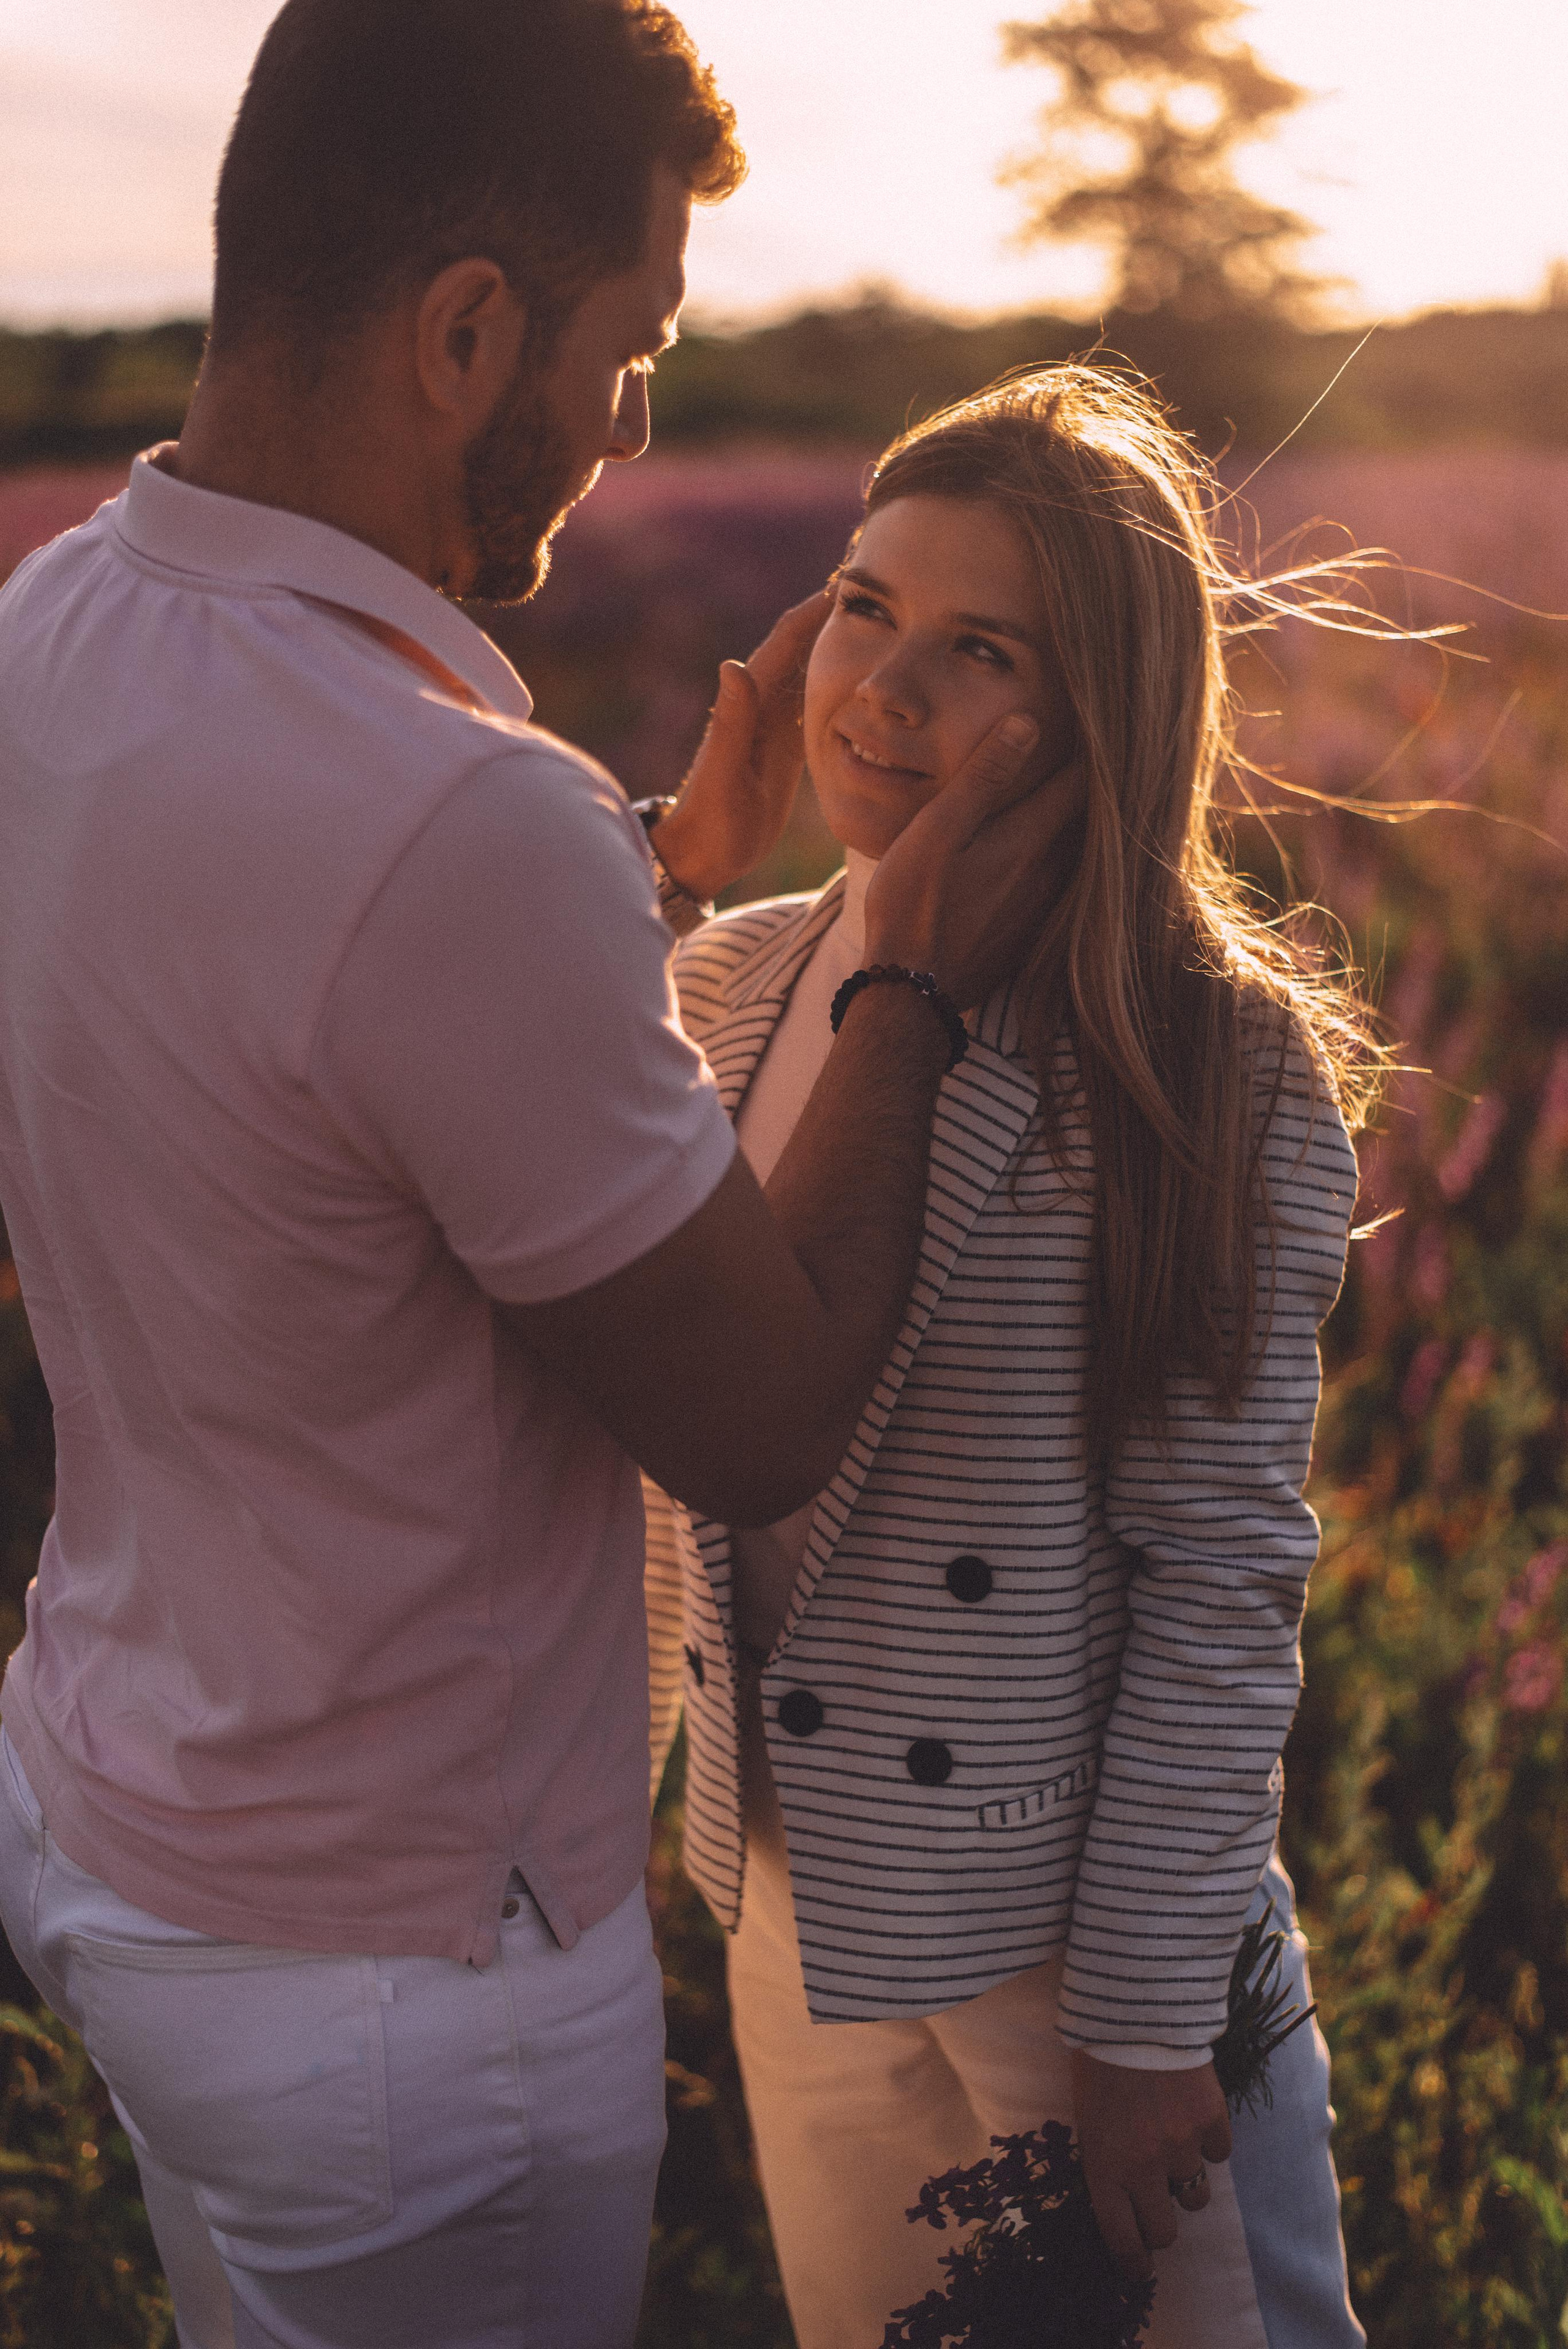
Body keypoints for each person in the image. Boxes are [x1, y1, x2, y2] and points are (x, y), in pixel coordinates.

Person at [0, 7, 1078, 2347]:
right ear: (469, 331)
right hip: (405, 1981)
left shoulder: (51, 635)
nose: (636, 428)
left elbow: (300, 1089)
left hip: (123, 1834)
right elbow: (761, 1410)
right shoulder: (458, 824)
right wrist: (902, 957)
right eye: (634, 350)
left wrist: (651, 880)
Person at [644, 366, 1375, 2349]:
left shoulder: (1205, 1057)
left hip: (1082, 1953)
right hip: (795, 1911)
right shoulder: (727, 976)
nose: (884, 689)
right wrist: (681, 858)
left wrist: (1145, 2022)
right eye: (864, 607)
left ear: (1101, 712)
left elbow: (1221, 1574)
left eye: (980, 651)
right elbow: (509, 1152)